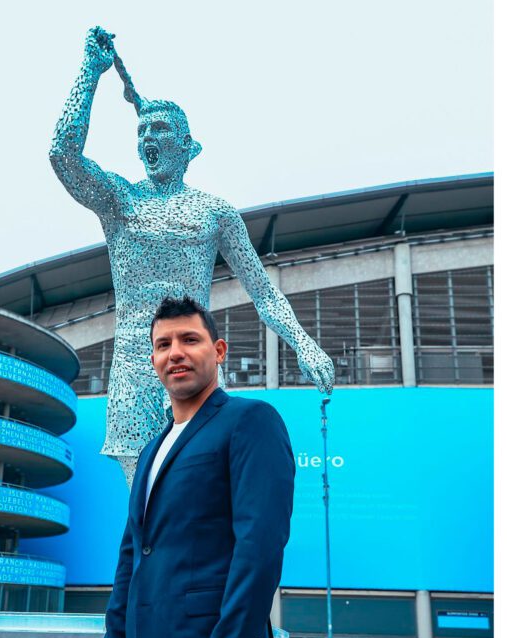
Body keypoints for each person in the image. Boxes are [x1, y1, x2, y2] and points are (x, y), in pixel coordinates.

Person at [50, 26, 334, 487]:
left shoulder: (214, 211)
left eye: (159, 129)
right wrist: (90, 74)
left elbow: (262, 291)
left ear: (188, 146)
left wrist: (303, 343)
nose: (147, 138)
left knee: (198, 491)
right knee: (144, 502)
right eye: (141, 131)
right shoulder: (119, 202)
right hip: (134, 369)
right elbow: (63, 153)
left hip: (194, 363)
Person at [92, 296, 295, 638]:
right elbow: (131, 562)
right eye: (163, 345)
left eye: (189, 340)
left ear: (219, 350)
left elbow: (259, 549)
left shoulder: (250, 422)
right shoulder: (152, 448)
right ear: (154, 360)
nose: (175, 353)